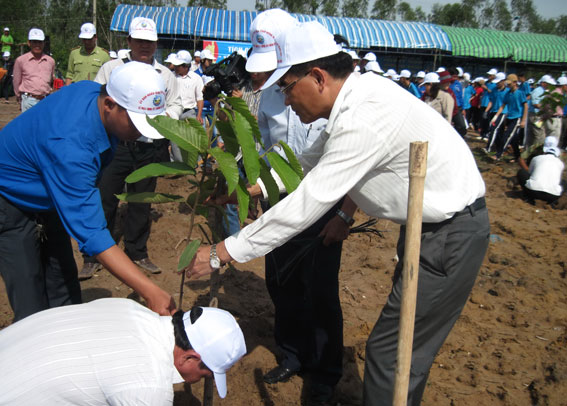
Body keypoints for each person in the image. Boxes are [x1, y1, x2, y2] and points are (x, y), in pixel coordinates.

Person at [188, 20, 489, 406]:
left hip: (450, 235)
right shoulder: (358, 99)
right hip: (429, 229)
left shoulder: (364, 114)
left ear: (317, 77)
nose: (287, 100)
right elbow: (308, 159)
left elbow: (309, 200)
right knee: (400, 352)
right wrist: (254, 188)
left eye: (286, 87)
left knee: (393, 353)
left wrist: (222, 251)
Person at [0, 62, 176, 321]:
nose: (140, 133)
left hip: (52, 196)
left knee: (64, 284)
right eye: (136, 122)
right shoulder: (71, 148)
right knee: (30, 304)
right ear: (109, 105)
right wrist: (150, 290)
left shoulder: (91, 91)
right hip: (11, 199)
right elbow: (93, 235)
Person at [243, 10, 344, 404]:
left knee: (318, 288)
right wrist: (256, 190)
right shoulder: (268, 95)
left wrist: (342, 213)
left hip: (323, 199)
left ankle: (324, 371)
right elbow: (264, 148)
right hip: (278, 196)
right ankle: (292, 354)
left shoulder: (332, 94)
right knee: (280, 279)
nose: (278, 85)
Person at [79, 17, 182, 279]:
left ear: (156, 44)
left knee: (142, 200)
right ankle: (94, 254)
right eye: (139, 41)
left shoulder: (165, 75)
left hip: (149, 147)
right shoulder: (112, 68)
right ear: (129, 42)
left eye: (149, 42)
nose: (144, 46)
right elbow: (97, 98)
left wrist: (163, 120)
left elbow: (176, 105)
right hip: (116, 145)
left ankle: (137, 251)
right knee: (105, 197)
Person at [0, 298, 246, 404]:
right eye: (207, 374)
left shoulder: (131, 309)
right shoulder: (147, 387)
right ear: (190, 357)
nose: (205, 380)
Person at [170, 49, 204, 162]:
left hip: (189, 113)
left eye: (178, 65)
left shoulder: (196, 79)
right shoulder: (171, 77)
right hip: (174, 112)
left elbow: (199, 98)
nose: (175, 67)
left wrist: (199, 115)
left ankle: (195, 163)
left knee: (192, 139)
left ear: (185, 66)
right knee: (175, 139)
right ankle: (179, 163)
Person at [12, 28, 55, 112]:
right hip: (28, 100)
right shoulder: (21, 60)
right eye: (34, 42)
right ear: (29, 43)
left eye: (40, 42)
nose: (37, 45)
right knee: (28, 125)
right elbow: (16, 81)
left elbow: (51, 81)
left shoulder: (50, 61)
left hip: (45, 100)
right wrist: (19, 98)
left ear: (44, 43)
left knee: (44, 124)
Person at [489, 74, 528, 161]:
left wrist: (523, 120)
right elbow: (503, 105)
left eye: (510, 84)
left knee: (506, 136)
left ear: (515, 83)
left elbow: (525, 106)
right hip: (509, 117)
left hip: (517, 118)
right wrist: (496, 116)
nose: (508, 85)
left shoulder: (520, 93)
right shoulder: (508, 93)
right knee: (514, 139)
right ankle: (518, 157)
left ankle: (499, 154)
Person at [516, 136, 563, 204]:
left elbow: (530, 172)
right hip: (553, 195)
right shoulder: (560, 163)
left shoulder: (536, 158)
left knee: (521, 173)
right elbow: (521, 159)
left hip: (533, 190)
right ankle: (553, 201)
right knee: (562, 182)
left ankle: (528, 197)